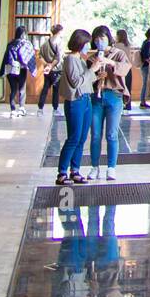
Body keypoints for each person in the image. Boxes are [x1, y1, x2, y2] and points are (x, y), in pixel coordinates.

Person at [57, 29, 100, 186]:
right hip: (75, 101)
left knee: (82, 138)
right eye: (86, 43)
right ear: (80, 43)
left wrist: (96, 75)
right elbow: (76, 82)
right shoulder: (70, 59)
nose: (88, 47)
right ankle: (62, 173)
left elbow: (86, 80)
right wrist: (91, 71)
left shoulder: (81, 60)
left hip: (86, 99)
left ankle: (75, 170)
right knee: (73, 137)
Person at [87, 25, 130, 180]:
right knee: (95, 134)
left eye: (103, 38)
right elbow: (87, 78)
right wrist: (96, 74)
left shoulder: (118, 54)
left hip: (114, 96)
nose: (100, 42)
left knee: (112, 134)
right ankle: (94, 167)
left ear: (109, 38)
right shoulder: (92, 57)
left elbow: (125, 69)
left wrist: (110, 64)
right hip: (96, 98)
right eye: (97, 39)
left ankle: (111, 167)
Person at [0, 26, 37, 117]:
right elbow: (30, 56)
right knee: (21, 89)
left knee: (13, 90)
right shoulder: (26, 44)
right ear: (24, 34)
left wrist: (2, 71)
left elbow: (6, 58)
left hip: (11, 69)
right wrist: (32, 69)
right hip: (21, 69)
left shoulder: (10, 44)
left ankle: (12, 110)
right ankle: (21, 109)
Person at [38, 24, 66, 117]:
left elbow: (40, 56)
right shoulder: (60, 43)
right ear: (59, 32)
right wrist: (51, 65)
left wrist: (46, 64)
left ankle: (40, 109)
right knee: (56, 90)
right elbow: (58, 58)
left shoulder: (46, 43)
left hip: (47, 70)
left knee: (45, 88)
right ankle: (55, 109)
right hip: (56, 69)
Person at [115, 30, 134, 111]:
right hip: (128, 69)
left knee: (120, 87)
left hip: (120, 69)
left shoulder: (116, 46)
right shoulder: (128, 45)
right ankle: (128, 105)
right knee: (128, 88)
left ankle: (121, 105)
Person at [138, 26, 150, 108]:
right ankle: (142, 102)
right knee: (145, 84)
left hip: (144, 66)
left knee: (145, 84)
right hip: (147, 66)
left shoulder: (145, 42)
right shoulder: (149, 43)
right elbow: (147, 56)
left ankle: (143, 101)